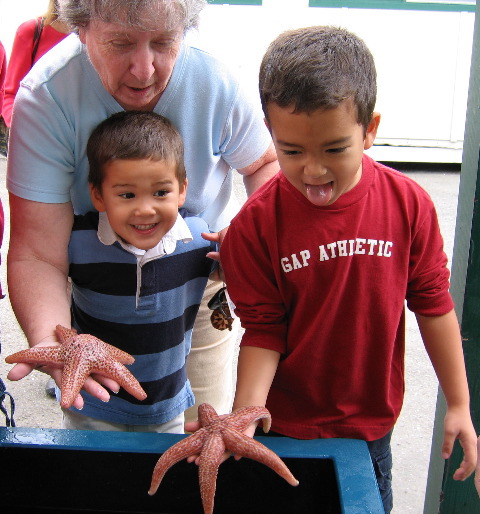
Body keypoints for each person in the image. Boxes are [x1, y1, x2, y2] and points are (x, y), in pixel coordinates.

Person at [219, 26, 477, 512]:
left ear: (370, 128)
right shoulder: (254, 226)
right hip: (285, 425)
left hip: (369, 428)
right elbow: (263, 328)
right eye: (291, 152)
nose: (313, 170)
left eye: (335, 149)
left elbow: (433, 305)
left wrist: (459, 403)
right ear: (271, 135)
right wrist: (246, 414)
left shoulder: (409, 205)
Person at [5, 0, 278, 422]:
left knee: (202, 434)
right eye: (121, 43)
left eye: (165, 42)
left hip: (197, 280)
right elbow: (37, 252)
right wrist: (54, 341)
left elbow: (264, 164)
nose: (144, 69)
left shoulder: (217, 80)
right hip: (96, 286)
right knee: (97, 446)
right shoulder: (47, 98)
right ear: (80, 29)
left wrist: (248, 238)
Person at [62, 110, 215, 431]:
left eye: (161, 192)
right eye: (127, 194)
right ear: (98, 195)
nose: (145, 208)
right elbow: (43, 273)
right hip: (93, 403)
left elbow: (248, 281)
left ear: (182, 190)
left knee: (159, 481)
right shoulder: (78, 241)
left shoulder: (199, 240)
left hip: (167, 406)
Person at [3, 0, 70, 128]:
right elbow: (10, 94)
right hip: (33, 130)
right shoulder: (32, 31)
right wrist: (20, 131)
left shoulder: (97, 37)